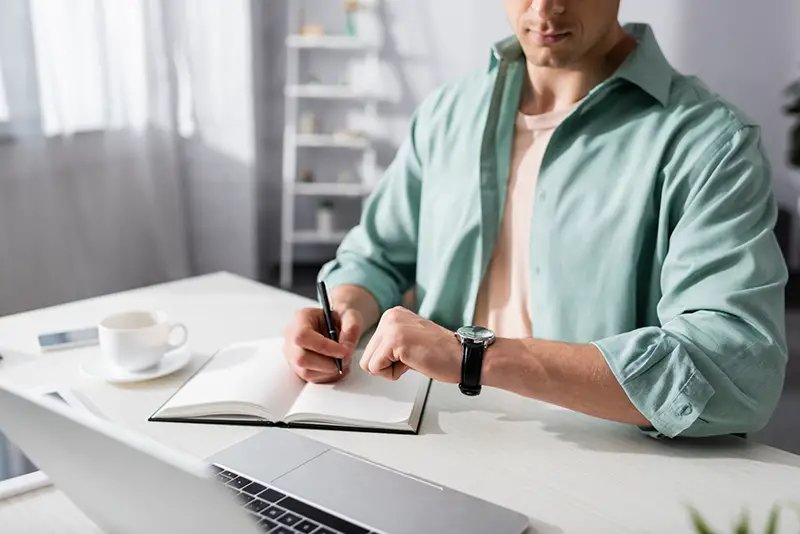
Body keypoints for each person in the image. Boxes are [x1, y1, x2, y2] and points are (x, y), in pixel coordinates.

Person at [283, 0, 788, 438]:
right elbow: (375, 255)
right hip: (425, 433)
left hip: (598, 469)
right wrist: (344, 309)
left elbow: (733, 371)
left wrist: (474, 359)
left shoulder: (711, 144)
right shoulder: (448, 113)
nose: (544, 11)